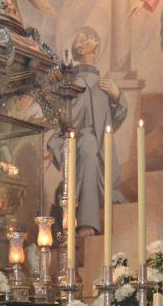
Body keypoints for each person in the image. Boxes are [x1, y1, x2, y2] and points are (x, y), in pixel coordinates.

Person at [48, 27, 127, 235]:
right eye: (79, 37)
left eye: (88, 37)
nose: (82, 40)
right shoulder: (71, 82)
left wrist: (117, 96)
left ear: (95, 45)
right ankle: (87, 222)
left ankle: (89, 218)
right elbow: (66, 118)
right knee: (88, 145)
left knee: (92, 145)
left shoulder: (103, 85)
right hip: (78, 147)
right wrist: (53, 145)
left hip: (102, 151)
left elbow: (114, 119)